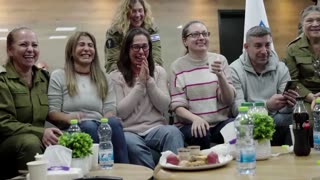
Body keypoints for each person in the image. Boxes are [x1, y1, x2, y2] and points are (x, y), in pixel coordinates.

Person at [48, 31, 129, 163]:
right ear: (71, 51)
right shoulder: (59, 76)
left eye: (90, 45)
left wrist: (106, 121)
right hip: (72, 128)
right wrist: (68, 117)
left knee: (114, 123)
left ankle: (123, 171)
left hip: (99, 125)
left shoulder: (104, 78)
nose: (87, 49)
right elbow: (52, 113)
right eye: (81, 45)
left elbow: (110, 109)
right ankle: (96, 174)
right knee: (89, 126)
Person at [110, 27, 184, 169]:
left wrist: (149, 81)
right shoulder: (116, 76)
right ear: (127, 49)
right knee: (133, 146)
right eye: (136, 47)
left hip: (156, 129)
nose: (141, 52)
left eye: (145, 47)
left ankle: (173, 177)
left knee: (174, 132)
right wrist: (140, 84)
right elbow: (121, 112)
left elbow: (164, 106)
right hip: (129, 131)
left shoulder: (159, 72)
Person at [0, 27, 62, 179]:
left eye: (34, 45)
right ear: (10, 50)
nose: (30, 50)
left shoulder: (44, 78)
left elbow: (52, 111)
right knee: (30, 141)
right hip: (8, 144)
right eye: (23, 45)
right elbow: (4, 122)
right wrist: (41, 132)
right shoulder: (2, 80)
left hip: (39, 140)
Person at [170, 20, 236, 150]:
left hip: (219, 123)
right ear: (185, 41)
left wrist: (220, 76)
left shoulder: (220, 60)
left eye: (204, 34)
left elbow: (229, 100)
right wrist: (196, 119)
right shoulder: (177, 66)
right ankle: (204, 168)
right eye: (195, 35)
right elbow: (177, 106)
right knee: (201, 131)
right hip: (191, 124)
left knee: (237, 126)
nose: (201, 38)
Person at [231, 26, 298, 146]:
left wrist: (290, 104)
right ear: (246, 47)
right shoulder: (234, 70)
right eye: (258, 46)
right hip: (248, 121)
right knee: (239, 122)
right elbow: (237, 109)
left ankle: (291, 157)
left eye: (267, 45)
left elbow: (285, 111)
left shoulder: (281, 68)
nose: (264, 51)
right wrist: (267, 106)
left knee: (296, 117)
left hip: (276, 118)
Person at [104, 0, 162, 73]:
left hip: (147, 70)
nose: (137, 15)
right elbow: (112, 62)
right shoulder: (115, 33)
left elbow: (157, 56)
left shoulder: (151, 29)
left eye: (140, 11)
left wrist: (148, 72)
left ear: (145, 11)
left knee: (159, 71)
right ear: (125, 13)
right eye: (133, 11)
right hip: (123, 73)